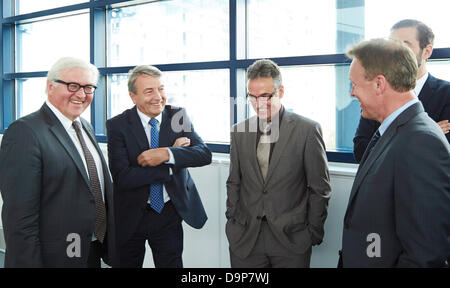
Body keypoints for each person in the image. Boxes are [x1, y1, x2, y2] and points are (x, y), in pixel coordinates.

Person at [340, 38, 450, 267]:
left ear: (379, 84)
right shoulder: (392, 131)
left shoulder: (421, 142)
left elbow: (425, 254)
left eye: (354, 84)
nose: (351, 93)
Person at [0, 57, 117, 268]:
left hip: (89, 249)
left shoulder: (85, 127)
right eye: (73, 86)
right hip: (53, 257)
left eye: (88, 87)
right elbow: (19, 218)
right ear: (50, 86)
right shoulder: (25, 132)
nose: (81, 94)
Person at [226, 59, 331, 268]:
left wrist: (312, 232)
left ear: (280, 91)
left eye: (265, 96)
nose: (258, 103)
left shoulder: (307, 130)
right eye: (252, 97)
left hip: (291, 240)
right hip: (246, 239)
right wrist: (232, 221)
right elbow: (234, 182)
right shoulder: (239, 131)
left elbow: (320, 189)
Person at [106, 65, 211, 268]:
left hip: (168, 213)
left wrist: (167, 153)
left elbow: (203, 154)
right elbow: (123, 177)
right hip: (131, 213)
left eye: (160, 88)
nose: (158, 97)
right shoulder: (118, 125)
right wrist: (170, 166)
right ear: (132, 96)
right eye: (148, 91)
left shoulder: (177, 116)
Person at [353, 19, 450, 162]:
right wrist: (425, 136)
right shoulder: (377, 90)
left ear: (427, 52)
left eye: (405, 45)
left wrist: (386, 138)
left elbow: (442, 155)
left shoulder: (447, 94)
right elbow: (361, 150)